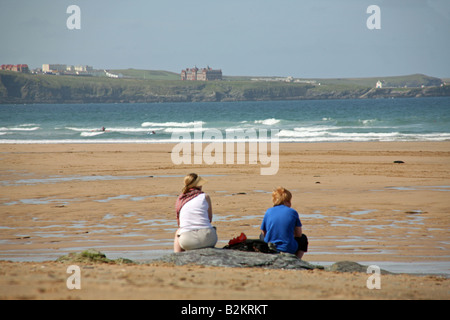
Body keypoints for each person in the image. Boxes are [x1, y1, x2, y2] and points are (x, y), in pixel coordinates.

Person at [174, 173, 218, 252]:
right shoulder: (205, 197)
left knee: (178, 232)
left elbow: (179, 224)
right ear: (198, 185)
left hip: (188, 241)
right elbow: (209, 219)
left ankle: (177, 259)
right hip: (208, 238)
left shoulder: (180, 199)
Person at [260, 187, 308, 259]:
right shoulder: (293, 212)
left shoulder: (268, 211)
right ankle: (297, 259)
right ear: (286, 201)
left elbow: (264, 232)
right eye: (289, 201)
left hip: (270, 248)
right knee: (303, 238)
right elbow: (299, 234)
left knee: (261, 236)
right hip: (288, 248)